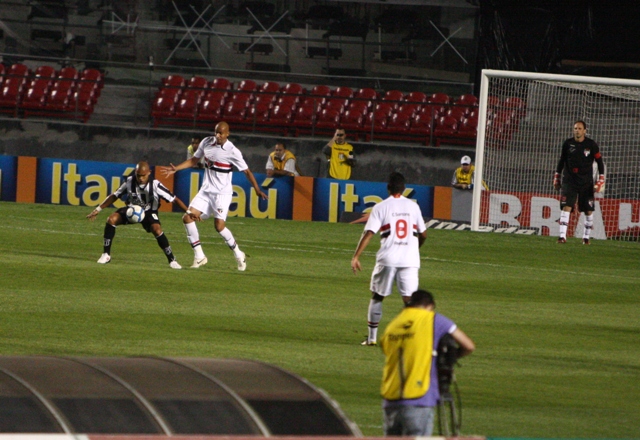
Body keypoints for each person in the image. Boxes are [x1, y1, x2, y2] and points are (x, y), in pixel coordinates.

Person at [160, 121, 268, 271]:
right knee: (187, 217)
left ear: (227, 134)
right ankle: (199, 256)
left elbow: (247, 172)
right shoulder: (206, 142)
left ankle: (238, 254)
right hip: (205, 191)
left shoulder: (232, 151)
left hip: (222, 194)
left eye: (221, 133)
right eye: (216, 132)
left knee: (219, 227)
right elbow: (194, 160)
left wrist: (256, 189)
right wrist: (176, 169)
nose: (217, 135)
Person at [380, 289, 475, 437]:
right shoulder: (433, 319)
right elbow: (468, 345)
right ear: (430, 306)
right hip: (419, 399)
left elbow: (387, 350)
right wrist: (450, 358)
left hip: (390, 400)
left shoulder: (393, 324)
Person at [351, 172, 427, 346]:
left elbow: (369, 233)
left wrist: (356, 256)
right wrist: (414, 248)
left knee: (378, 296)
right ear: (405, 188)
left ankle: (371, 338)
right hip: (410, 259)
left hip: (388, 258)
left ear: (388, 187)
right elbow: (423, 234)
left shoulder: (381, 207)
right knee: (409, 300)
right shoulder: (413, 207)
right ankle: (410, 340)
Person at [86, 161, 189, 269]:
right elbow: (115, 195)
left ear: (149, 173)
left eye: (143, 176)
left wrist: (188, 212)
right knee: (111, 219)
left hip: (149, 212)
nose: (140, 178)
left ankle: (172, 260)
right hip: (132, 210)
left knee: (157, 229)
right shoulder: (130, 181)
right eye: (138, 175)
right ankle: (106, 255)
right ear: (135, 172)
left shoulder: (155, 185)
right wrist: (98, 209)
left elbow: (174, 199)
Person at [554, 120, 605, 245]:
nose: (577, 130)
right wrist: (557, 176)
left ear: (585, 131)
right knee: (567, 206)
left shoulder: (591, 145)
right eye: (575, 128)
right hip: (569, 180)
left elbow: (599, 161)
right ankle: (562, 236)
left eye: (580, 128)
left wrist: (601, 179)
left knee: (588, 210)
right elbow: (562, 161)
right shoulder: (567, 144)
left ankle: (586, 238)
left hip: (586, 182)